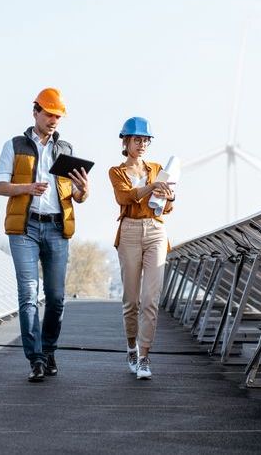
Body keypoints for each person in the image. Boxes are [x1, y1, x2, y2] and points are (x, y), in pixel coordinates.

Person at [0, 87, 91, 382]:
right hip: (25, 228)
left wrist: (84, 190)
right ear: (35, 112)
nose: (53, 120)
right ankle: (35, 358)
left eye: (58, 116)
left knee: (57, 297)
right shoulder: (15, 145)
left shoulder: (66, 150)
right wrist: (27, 188)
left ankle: (48, 351)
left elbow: (76, 196)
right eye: (49, 114)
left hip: (57, 228)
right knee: (28, 294)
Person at [107, 116, 174, 380]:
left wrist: (169, 197)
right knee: (131, 300)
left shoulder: (157, 169)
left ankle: (145, 356)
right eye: (137, 139)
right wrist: (151, 187)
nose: (142, 144)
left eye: (146, 140)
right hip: (130, 232)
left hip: (156, 230)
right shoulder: (117, 171)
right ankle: (131, 347)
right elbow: (124, 197)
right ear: (125, 142)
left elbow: (167, 208)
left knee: (150, 299)